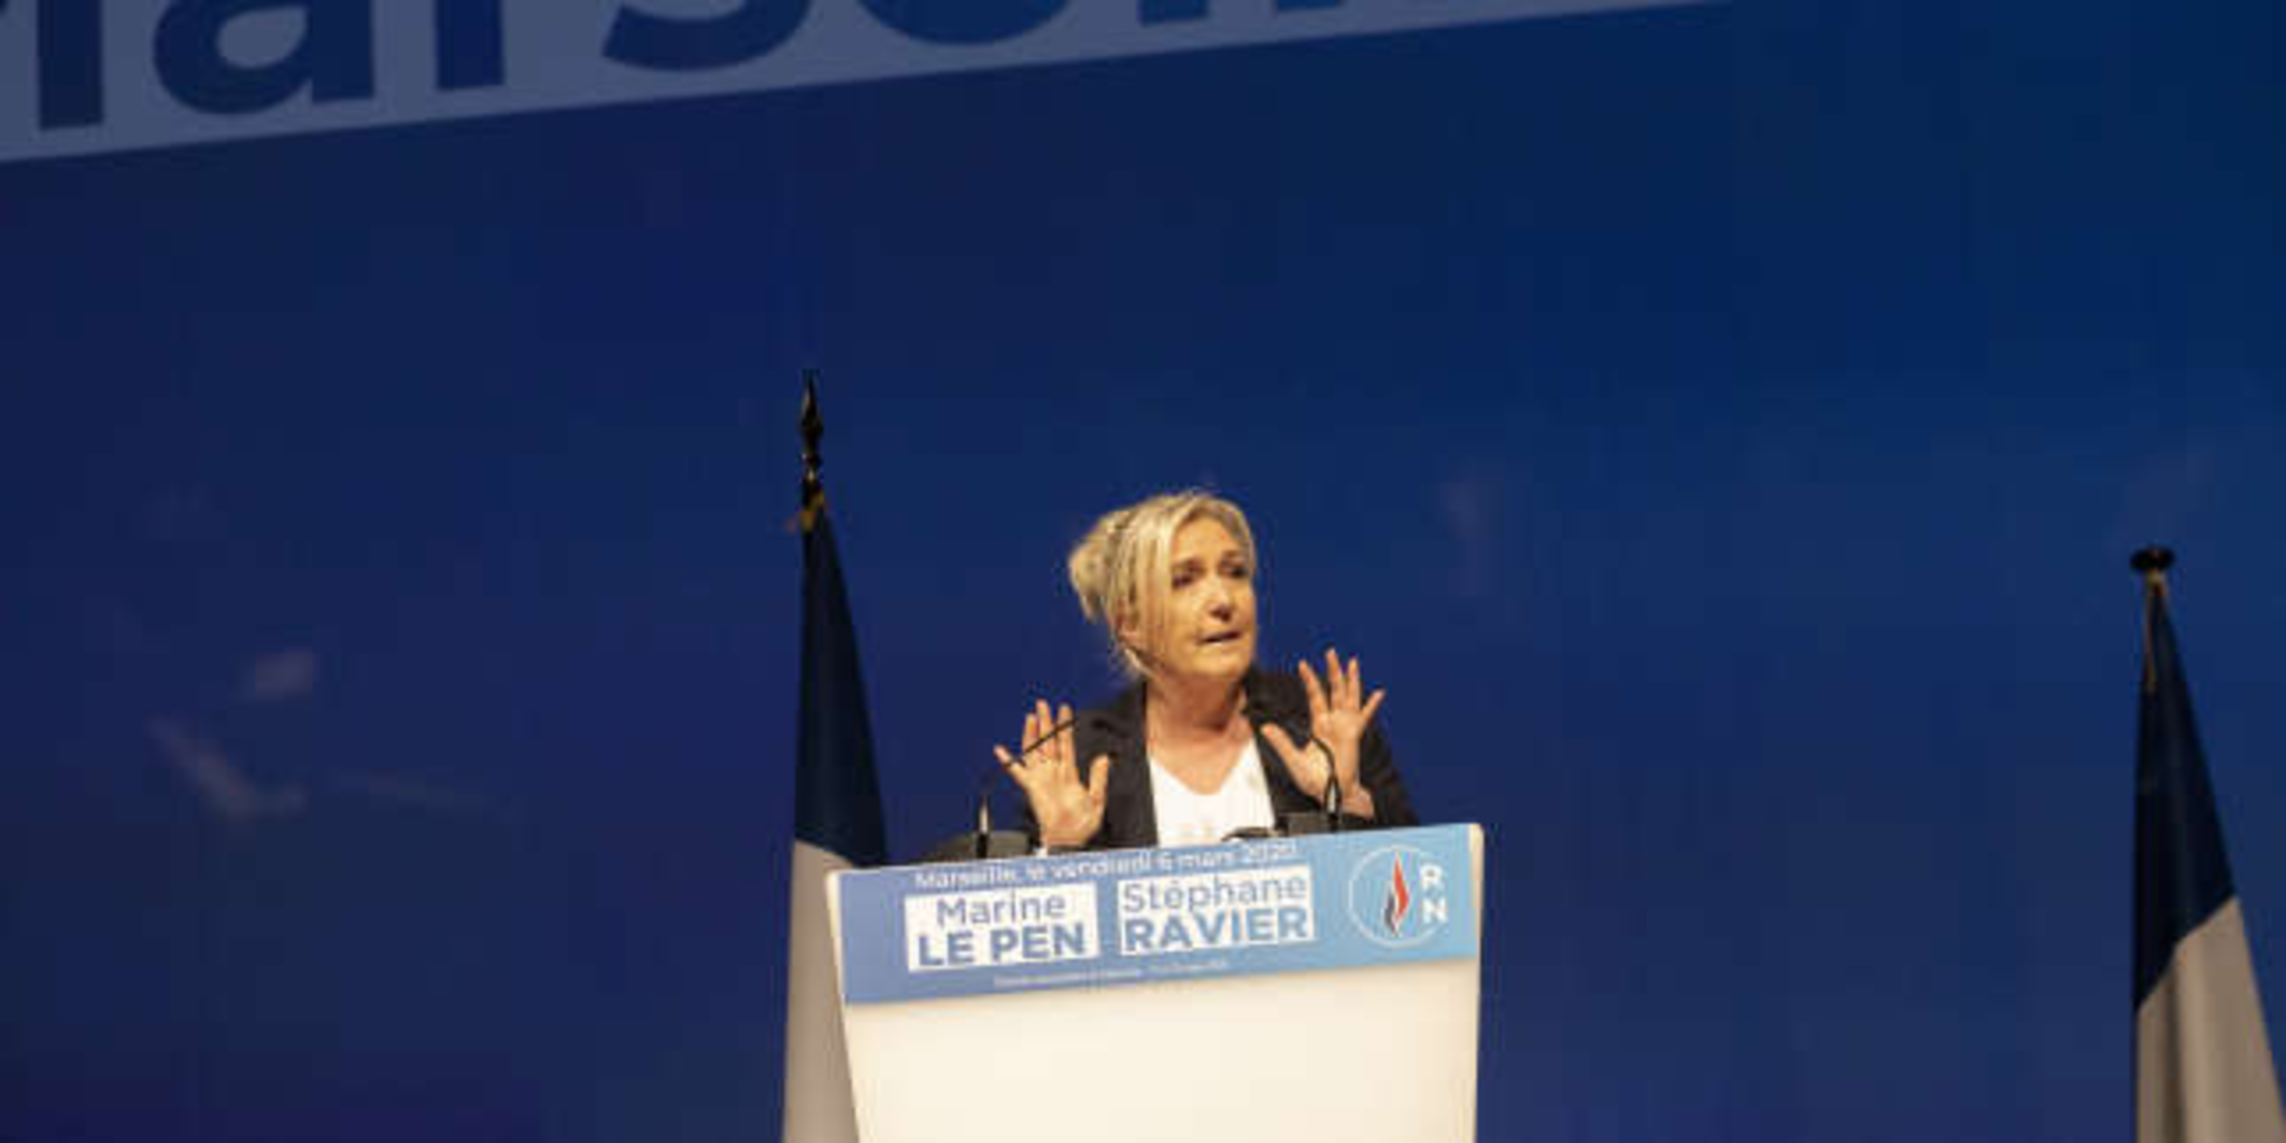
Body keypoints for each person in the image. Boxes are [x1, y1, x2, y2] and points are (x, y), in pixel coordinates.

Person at [994, 490, 1417, 849]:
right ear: (1131, 625)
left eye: (1235, 572)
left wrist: (1347, 802)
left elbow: (1413, 893)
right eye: (1184, 580)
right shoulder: (1082, 761)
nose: (1224, 601)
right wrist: (1062, 846)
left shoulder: (1320, 725)